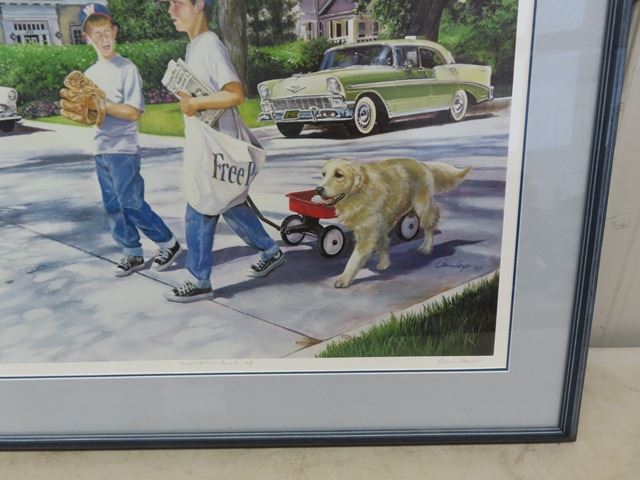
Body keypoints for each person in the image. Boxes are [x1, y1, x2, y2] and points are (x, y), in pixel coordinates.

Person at [162, 0, 284, 303]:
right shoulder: (195, 46)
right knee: (230, 204)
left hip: (216, 146)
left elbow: (235, 93)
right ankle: (270, 250)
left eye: (177, 3)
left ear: (198, 5)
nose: (171, 11)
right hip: (209, 143)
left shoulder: (209, 45)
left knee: (200, 205)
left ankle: (199, 279)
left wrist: (195, 103)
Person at [80, 3, 183, 276]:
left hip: (123, 148)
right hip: (101, 147)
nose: (103, 38)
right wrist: (85, 112)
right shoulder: (89, 75)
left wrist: (102, 104)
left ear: (115, 31)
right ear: (87, 38)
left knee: (131, 202)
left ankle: (168, 243)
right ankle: (132, 252)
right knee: (113, 205)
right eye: (96, 33)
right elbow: (92, 115)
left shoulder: (126, 68)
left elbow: (133, 112)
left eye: (106, 31)